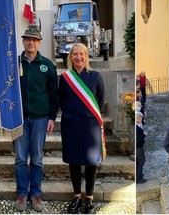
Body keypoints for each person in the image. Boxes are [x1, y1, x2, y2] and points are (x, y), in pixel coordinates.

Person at [14, 25, 58, 212]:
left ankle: (36, 195)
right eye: (27, 39)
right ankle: (23, 194)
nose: (30, 42)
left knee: (37, 158)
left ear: (39, 42)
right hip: (19, 119)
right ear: (23, 41)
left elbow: (53, 94)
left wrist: (52, 117)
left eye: (34, 39)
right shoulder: (14, 63)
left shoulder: (47, 65)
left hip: (40, 118)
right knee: (20, 158)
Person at [59, 43, 105, 214]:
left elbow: (100, 101)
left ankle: (89, 198)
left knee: (91, 162)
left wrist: (89, 116)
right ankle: (77, 196)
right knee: (74, 161)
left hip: (90, 125)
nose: (78, 57)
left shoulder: (95, 76)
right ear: (71, 57)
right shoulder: (65, 78)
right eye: (75, 54)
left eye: (82, 54)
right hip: (71, 125)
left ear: (86, 56)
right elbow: (62, 101)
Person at [136, 111, 147, 184]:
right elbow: (139, 138)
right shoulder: (137, 127)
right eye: (141, 118)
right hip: (139, 146)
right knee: (141, 160)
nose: (142, 120)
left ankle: (139, 174)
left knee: (139, 161)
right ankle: (138, 177)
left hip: (139, 146)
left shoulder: (138, 124)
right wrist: (144, 134)